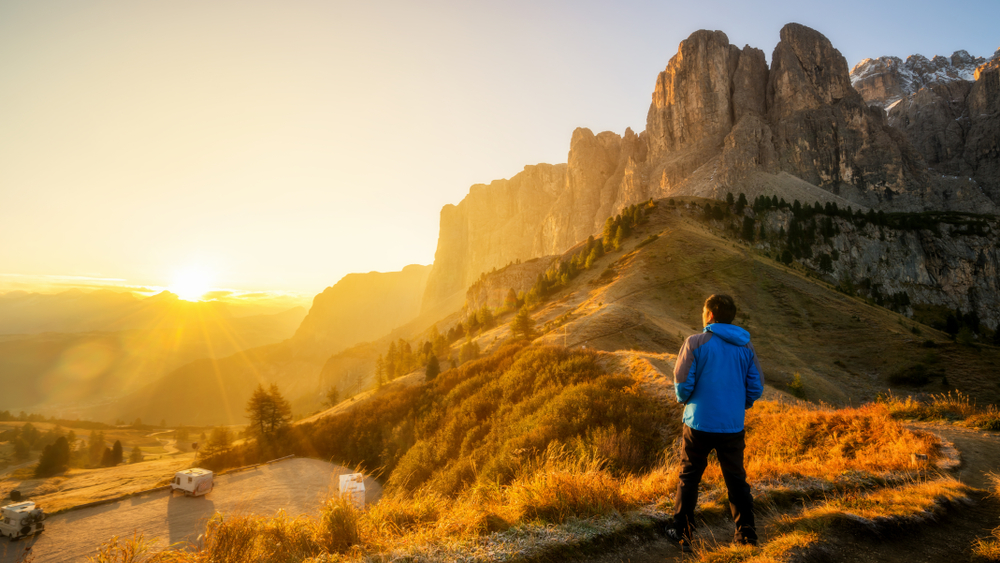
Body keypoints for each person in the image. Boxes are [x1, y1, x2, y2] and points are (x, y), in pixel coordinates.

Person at [667, 294, 763, 552]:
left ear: (710, 315)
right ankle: (747, 535)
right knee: (736, 479)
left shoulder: (695, 342)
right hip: (732, 426)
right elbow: (756, 386)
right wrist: (738, 405)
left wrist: (684, 400)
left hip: (698, 423)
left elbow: (681, 382)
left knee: (689, 476)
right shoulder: (746, 347)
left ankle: (682, 533)